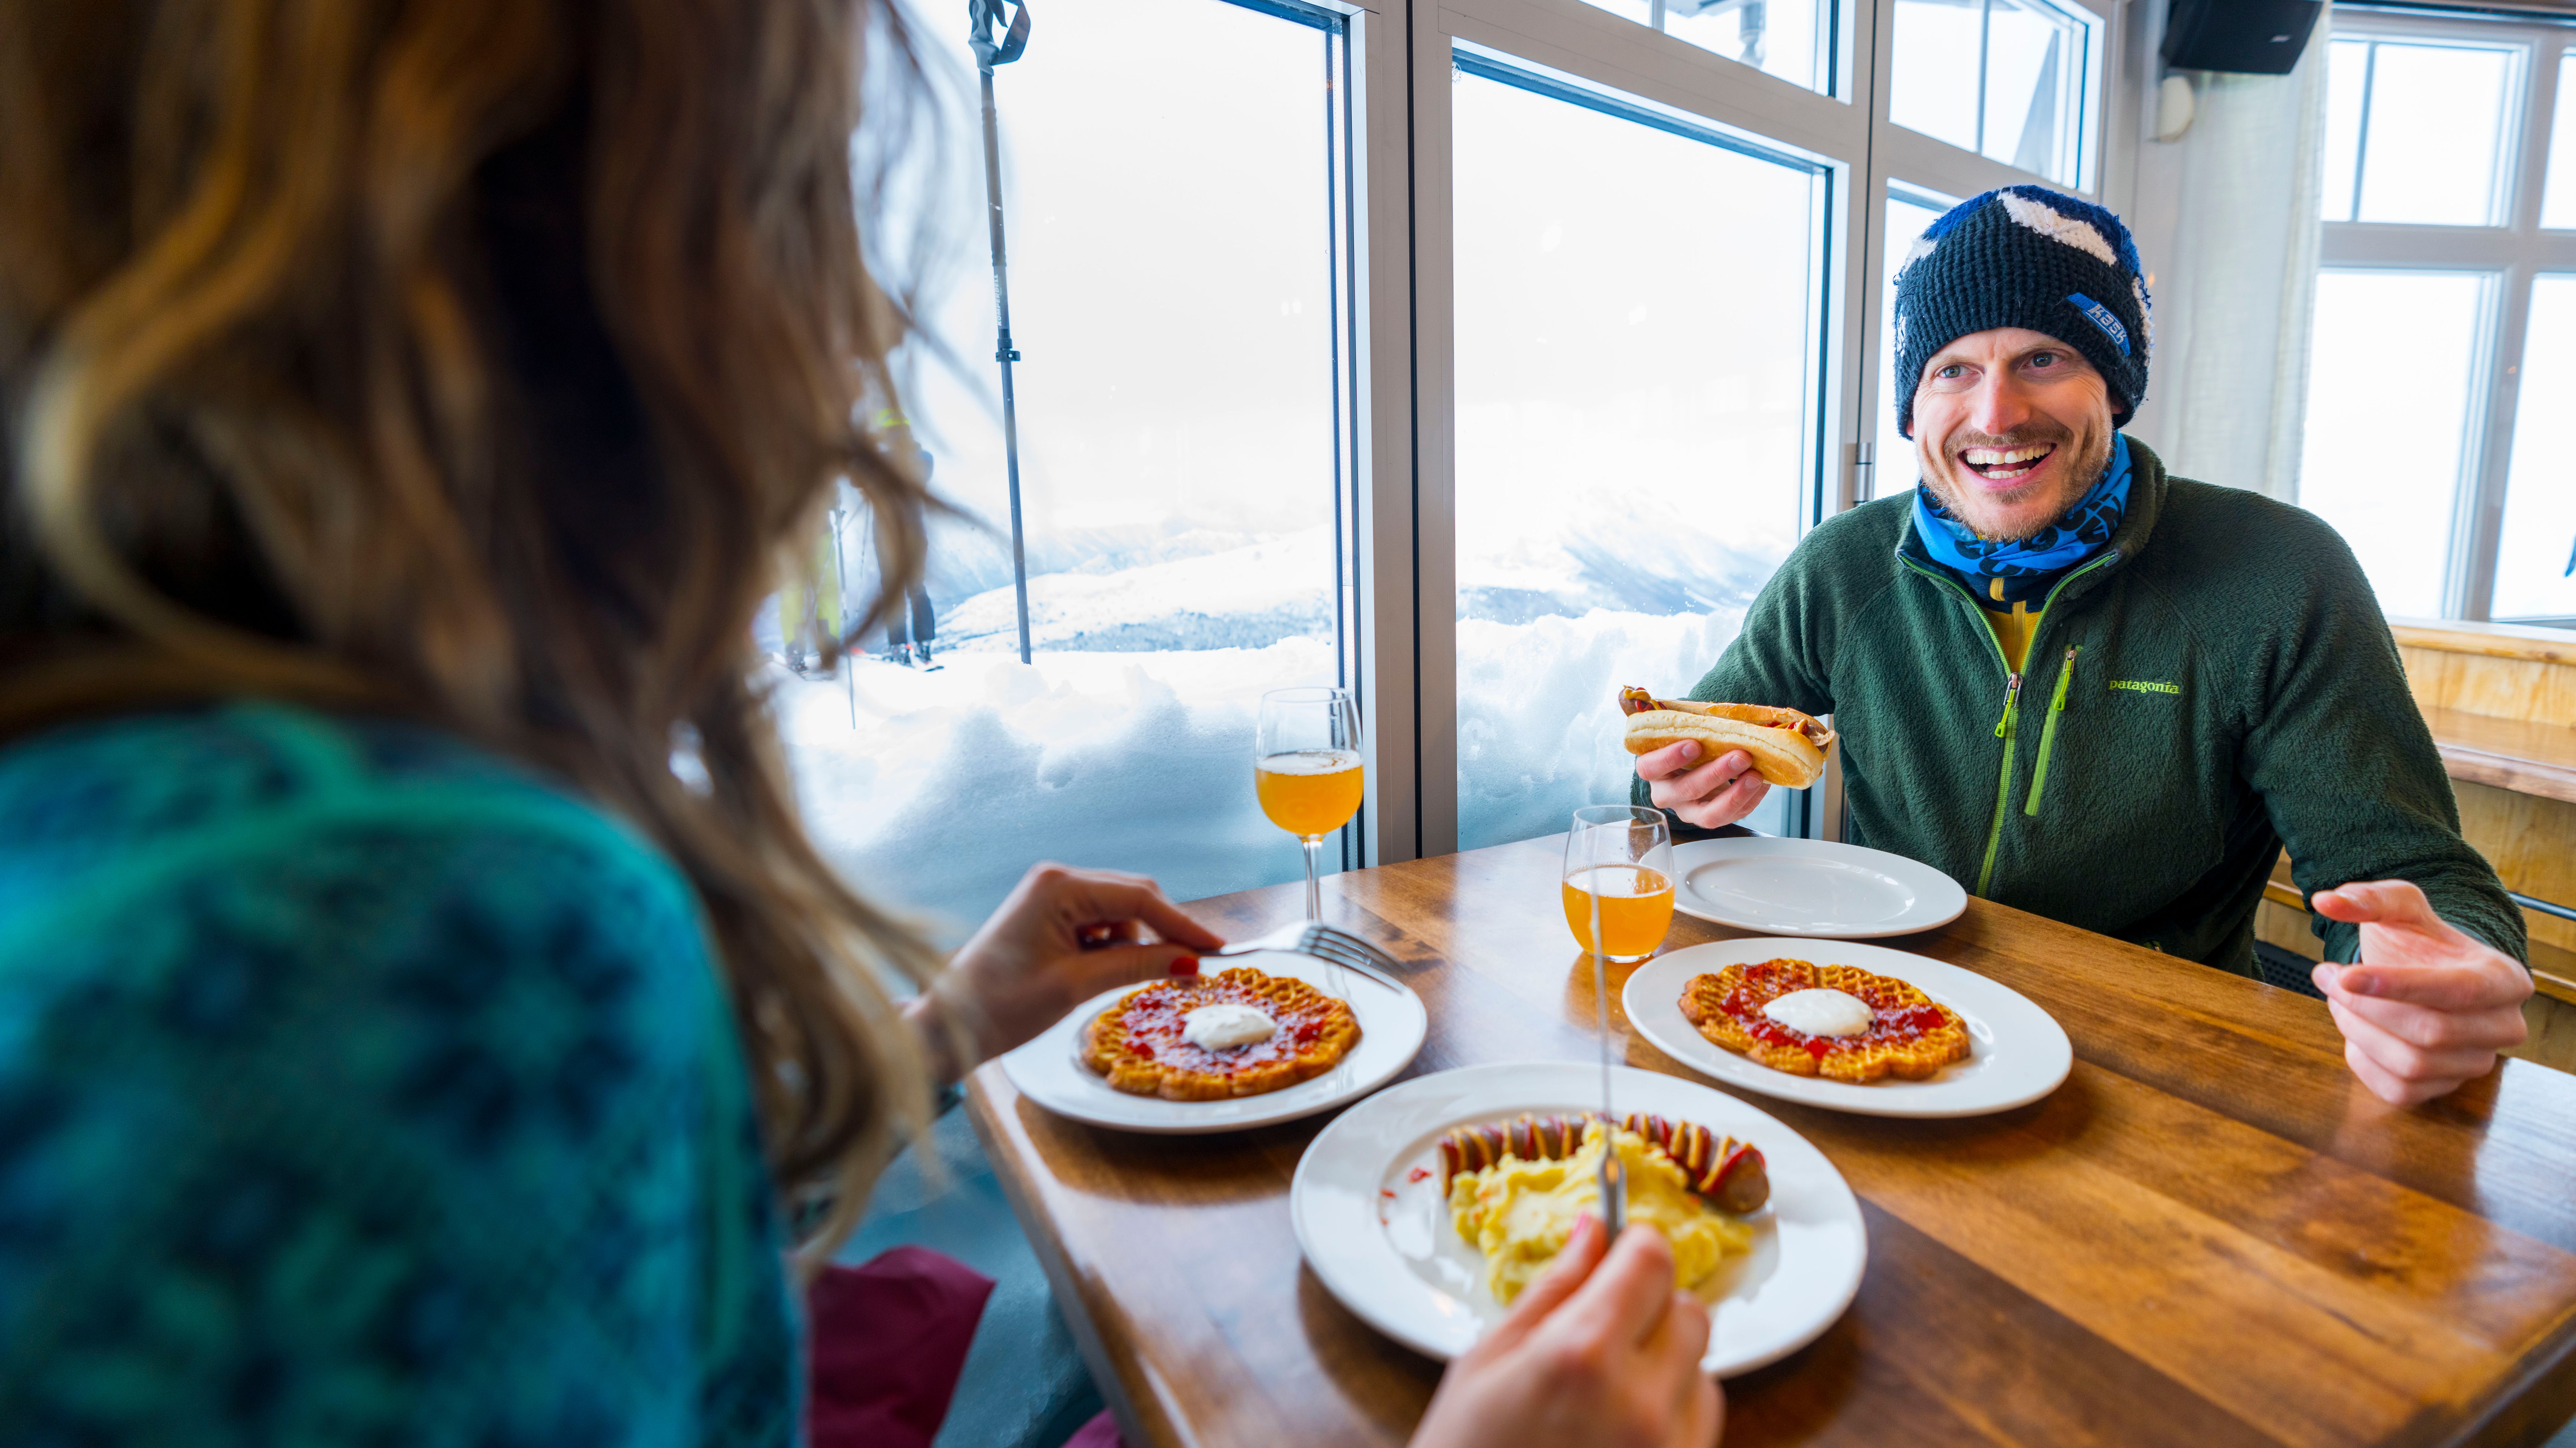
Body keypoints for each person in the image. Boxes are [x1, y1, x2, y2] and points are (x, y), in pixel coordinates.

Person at [0, 2, 1715, 1444]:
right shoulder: (405, 914)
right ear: (541, 249)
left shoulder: (142, 800)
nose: (860, 327)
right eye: (787, 204)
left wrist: (944, 1027)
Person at [1635, 186, 2532, 1109]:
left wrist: (2445, 973)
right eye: (1952, 370)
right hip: (1880, 1037)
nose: (1996, 413)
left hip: (2155, 1075)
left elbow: (2418, 883)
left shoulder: (2280, 573)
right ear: (1913, 408)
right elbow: (1667, 785)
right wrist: (1682, 789)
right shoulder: (1846, 566)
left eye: (2043, 357)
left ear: (2115, 384)